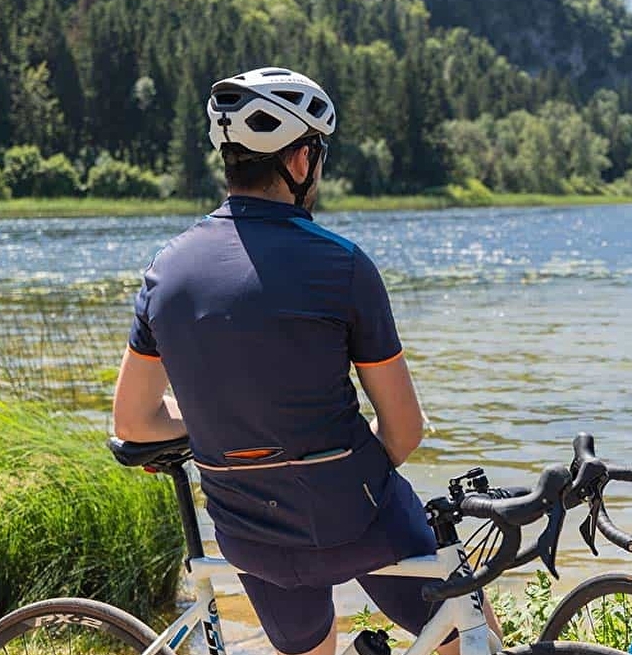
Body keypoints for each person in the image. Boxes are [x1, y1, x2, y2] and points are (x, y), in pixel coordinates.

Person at [112, 67, 483, 655]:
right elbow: (404, 430)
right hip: (359, 521)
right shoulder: (344, 266)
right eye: (319, 152)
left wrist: (218, 420)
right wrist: (336, 481)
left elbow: (132, 422)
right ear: (302, 162)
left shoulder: (167, 271)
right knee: (466, 635)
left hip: (251, 533)